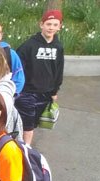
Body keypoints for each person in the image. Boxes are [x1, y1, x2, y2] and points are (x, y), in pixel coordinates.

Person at [15, 9, 64, 145]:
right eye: (48, 24)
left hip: (46, 92)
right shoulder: (29, 45)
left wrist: (55, 90)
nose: (51, 28)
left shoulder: (58, 47)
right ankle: (26, 150)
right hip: (28, 92)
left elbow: (59, 69)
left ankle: (23, 145)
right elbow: (18, 66)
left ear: (60, 26)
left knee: (34, 122)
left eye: (55, 25)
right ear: (41, 24)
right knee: (28, 124)